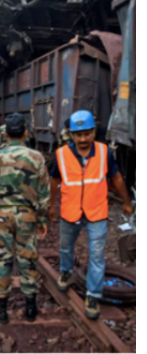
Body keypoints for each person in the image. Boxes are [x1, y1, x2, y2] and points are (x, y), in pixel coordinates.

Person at [50, 110, 133, 320]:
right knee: (66, 247)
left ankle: (93, 295)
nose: (83, 139)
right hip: (70, 212)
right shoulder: (62, 155)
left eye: (87, 133)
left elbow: (117, 178)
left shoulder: (105, 152)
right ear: (71, 134)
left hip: (96, 212)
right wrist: (49, 206)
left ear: (93, 132)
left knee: (97, 256)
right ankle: (66, 272)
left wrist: (126, 201)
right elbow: (53, 182)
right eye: (78, 135)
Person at [0, 113, 49, 325]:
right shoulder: (37, 157)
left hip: (1, 216)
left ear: (5, 134)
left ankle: (1, 311)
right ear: (26, 133)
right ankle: (30, 310)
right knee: (27, 259)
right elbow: (44, 193)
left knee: (1, 259)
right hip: (27, 215)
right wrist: (42, 220)